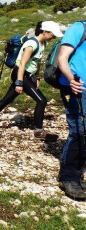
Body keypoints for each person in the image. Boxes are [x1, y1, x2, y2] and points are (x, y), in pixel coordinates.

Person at [0, 21, 62, 141]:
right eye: (53, 34)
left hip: (27, 75)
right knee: (42, 101)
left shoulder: (43, 43)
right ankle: (38, 131)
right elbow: (22, 64)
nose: (54, 37)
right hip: (21, 74)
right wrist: (19, 82)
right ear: (45, 32)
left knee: (8, 98)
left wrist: (37, 77)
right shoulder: (31, 44)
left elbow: (37, 62)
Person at [57, 20, 86, 200]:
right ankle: (68, 176)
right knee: (77, 131)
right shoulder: (79, 28)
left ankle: (77, 169)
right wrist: (71, 80)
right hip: (75, 88)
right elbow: (62, 58)